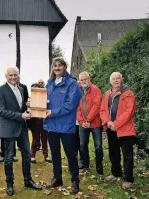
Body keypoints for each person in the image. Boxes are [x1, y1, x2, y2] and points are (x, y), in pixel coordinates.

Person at [0, 66, 42, 196]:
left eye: (15, 75)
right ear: (6, 76)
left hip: (22, 128)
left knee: (27, 155)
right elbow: (2, 111)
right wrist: (20, 116)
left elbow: (21, 107)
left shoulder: (21, 89)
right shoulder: (0, 91)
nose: (13, 77)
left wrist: (28, 110)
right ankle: (9, 184)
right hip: (9, 128)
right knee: (9, 158)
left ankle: (28, 180)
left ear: (18, 75)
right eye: (10, 75)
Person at [44, 57, 82, 194]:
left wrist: (52, 112)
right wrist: (35, 105)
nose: (57, 68)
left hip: (65, 126)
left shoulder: (72, 83)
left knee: (70, 154)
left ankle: (75, 181)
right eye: (55, 65)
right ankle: (57, 178)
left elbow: (70, 105)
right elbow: (44, 102)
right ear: (52, 67)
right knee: (55, 154)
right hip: (51, 126)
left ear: (65, 67)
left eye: (60, 65)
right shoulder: (49, 83)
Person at [100, 72, 136, 189]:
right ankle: (116, 174)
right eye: (113, 79)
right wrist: (108, 122)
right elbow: (102, 111)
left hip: (125, 129)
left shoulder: (128, 94)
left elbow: (129, 112)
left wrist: (116, 124)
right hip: (111, 129)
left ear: (121, 80)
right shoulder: (107, 94)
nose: (116, 80)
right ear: (110, 81)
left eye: (118, 78)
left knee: (127, 155)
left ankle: (128, 179)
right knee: (113, 153)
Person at [77, 71, 103, 175]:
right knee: (83, 145)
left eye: (85, 79)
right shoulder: (78, 90)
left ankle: (99, 167)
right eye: (82, 80)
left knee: (98, 146)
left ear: (89, 79)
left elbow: (97, 106)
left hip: (95, 123)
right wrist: (81, 121)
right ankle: (85, 165)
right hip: (83, 124)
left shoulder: (96, 89)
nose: (84, 81)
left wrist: (88, 120)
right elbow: (77, 107)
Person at [28, 81, 51, 164]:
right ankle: (32, 156)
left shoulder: (44, 98)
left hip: (44, 120)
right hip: (35, 121)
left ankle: (46, 156)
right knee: (35, 139)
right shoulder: (30, 99)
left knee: (44, 138)